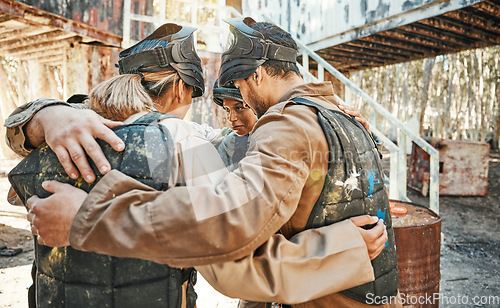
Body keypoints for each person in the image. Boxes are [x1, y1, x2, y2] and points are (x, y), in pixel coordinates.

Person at [5, 23, 388, 307]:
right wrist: (342, 250)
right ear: (179, 88)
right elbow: (232, 262)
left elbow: (15, 184)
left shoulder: (67, 132)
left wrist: (44, 113)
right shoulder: (188, 144)